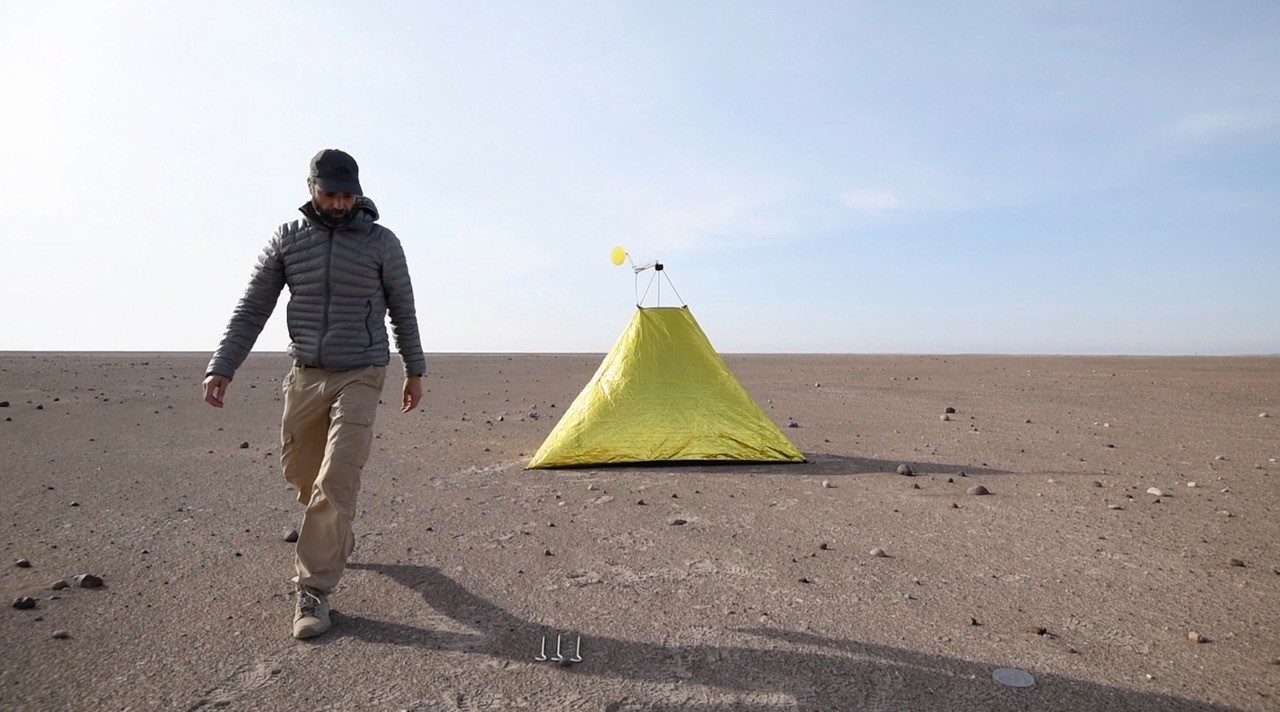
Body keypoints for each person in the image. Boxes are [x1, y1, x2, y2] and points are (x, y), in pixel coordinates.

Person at [202, 149, 426, 639]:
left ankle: (314, 591)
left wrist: (415, 368)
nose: (341, 204)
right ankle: (334, 531)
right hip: (307, 373)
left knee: (337, 477)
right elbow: (252, 307)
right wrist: (224, 365)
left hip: (362, 372)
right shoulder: (288, 239)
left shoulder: (382, 243)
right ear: (311, 188)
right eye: (331, 194)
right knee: (303, 474)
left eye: (348, 194)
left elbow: (403, 310)